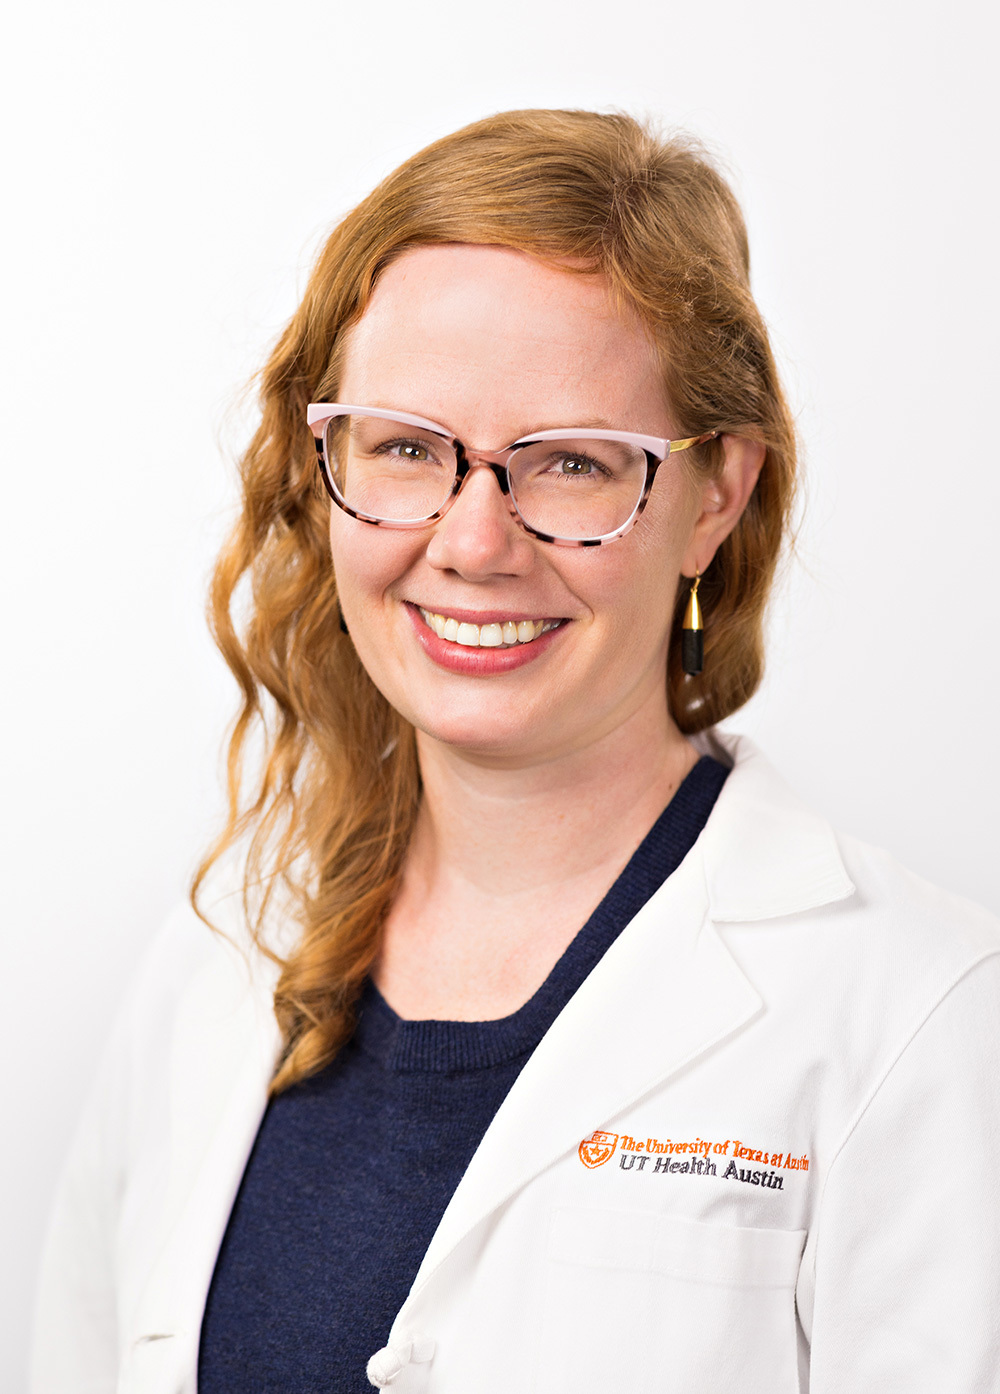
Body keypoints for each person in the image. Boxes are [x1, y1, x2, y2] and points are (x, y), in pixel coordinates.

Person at [30, 109, 1000, 1393]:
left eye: (571, 465)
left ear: (716, 495)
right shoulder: (222, 950)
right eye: (404, 447)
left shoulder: (917, 1019)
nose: (473, 542)